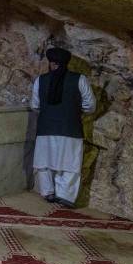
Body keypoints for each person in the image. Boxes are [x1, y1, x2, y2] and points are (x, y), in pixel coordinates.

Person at [30, 47, 96, 208]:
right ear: (67, 63)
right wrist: (77, 111)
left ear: (51, 63)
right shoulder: (79, 79)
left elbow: (35, 105)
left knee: (44, 163)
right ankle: (65, 196)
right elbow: (90, 106)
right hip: (71, 128)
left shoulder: (41, 80)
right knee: (70, 164)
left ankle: (48, 192)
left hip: (46, 128)